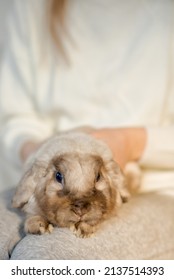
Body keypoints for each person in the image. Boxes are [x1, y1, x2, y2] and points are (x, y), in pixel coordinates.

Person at [0, 0, 174, 260]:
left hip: (153, 185)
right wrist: (37, 151)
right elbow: (17, 115)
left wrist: (131, 142)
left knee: (45, 257)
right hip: (49, 167)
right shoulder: (31, 6)